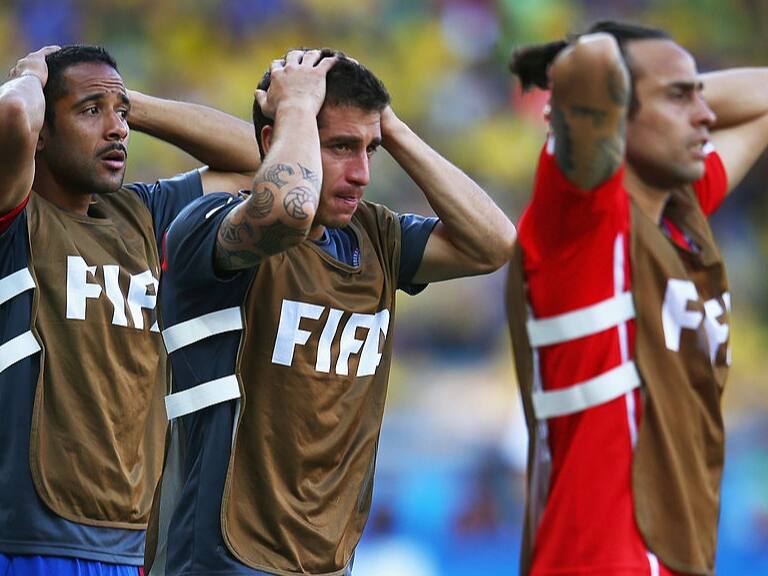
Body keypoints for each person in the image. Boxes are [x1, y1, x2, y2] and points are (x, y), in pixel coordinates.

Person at [143, 48, 516, 576]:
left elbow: (494, 243)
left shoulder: (376, 237)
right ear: (273, 140)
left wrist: (393, 127)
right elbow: (287, 210)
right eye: (341, 147)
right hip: (219, 558)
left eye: (370, 150)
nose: (361, 174)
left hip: (327, 561)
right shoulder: (205, 227)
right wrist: (296, 105)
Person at [505, 20, 768, 576]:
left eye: (700, 95)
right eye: (679, 97)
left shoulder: (679, 212)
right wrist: (617, 91)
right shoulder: (579, 217)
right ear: (617, 113)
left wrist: (672, 92)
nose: (706, 115)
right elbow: (592, 62)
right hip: (595, 562)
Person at [0, 45, 260, 575]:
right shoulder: (16, 213)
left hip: (129, 543)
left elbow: (259, 162)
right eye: (89, 112)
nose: (117, 129)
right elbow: (11, 115)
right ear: (42, 131)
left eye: (121, 116)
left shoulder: (142, 214)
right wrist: (31, 76)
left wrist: (122, 102)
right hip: (30, 539)